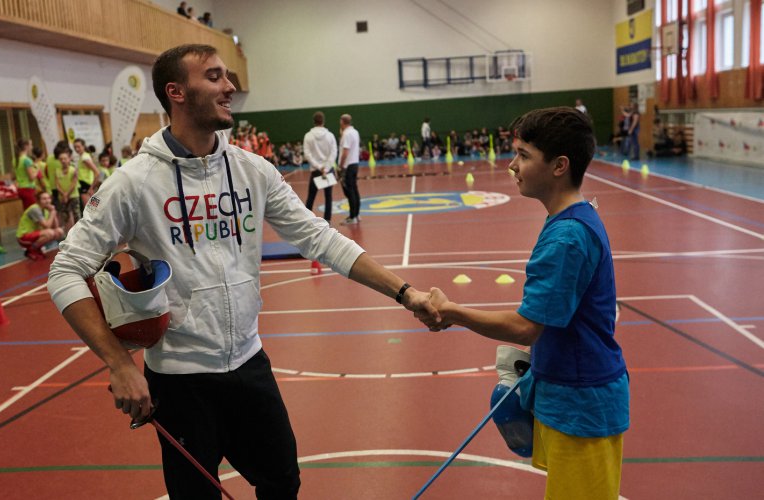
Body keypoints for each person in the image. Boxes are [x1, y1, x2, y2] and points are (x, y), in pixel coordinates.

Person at [47, 44, 439, 500]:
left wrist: (405, 292)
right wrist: (118, 363)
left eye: (227, 76)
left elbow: (321, 238)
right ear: (176, 92)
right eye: (214, 77)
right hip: (179, 381)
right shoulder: (133, 183)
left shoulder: (252, 171)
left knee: (282, 482)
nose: (230, 86)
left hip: (249, 366)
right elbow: (66, 271)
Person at [416, 107, 629, 500]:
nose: (513, 165)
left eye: (524, 155)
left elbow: (525, 326)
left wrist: (452, 312)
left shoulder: (567, 237)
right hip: (564, 395)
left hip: (582, 406)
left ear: (559, 166)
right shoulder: (567, 220)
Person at [303, 111, 337, 222]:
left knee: (311, 197)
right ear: (323, 121)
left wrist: (319, 167)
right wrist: (326, 168)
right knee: (328, 197)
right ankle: (327, 220)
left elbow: (307, 154)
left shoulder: (308, 136)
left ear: (314, 121)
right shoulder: (330, 136)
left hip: (316, 171)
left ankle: (307, 221)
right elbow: (334, 153)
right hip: (328, 170)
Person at [17, 190, 64, 260]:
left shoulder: (45, 210)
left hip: (35, 235)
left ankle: (37, 249)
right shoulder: (35, 209)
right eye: (44, 199)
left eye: (48, 198)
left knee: (59, 231)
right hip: (23, 237)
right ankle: (31, 250)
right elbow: (47, 226)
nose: (47, 201)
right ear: (38, 201)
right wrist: (52, 213)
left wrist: (53, 213)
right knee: (50, 233)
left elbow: (56, 227)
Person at [338, 114, 361, 225]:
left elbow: (345, 152)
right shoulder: (355, 132)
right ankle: (356, 214)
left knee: (350, 191)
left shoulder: (346, 134)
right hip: (355, 164)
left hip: (347, 166)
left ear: (342, 122)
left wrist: (340, 166)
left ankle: (352, 217)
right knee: (354, 190)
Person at [54, 150, 79, 231]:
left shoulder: (73, 170)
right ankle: (68, 234)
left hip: (73, 195)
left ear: (69, 159)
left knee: (76, 215)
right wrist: (63, 195)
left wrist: (66, 194)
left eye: (65, 158)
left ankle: (80, 233)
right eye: (61, 159)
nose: (63, 161)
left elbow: (73, 183)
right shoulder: (57, 171)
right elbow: (57, 185)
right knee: (65, 216)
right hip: (62, 197)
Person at [72, 138, 101, 210]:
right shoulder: (84, 156)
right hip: (86, 185)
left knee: (90, 210)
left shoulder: (85, 158)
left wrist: (91, 188)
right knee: (94, 209)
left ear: (83, 146)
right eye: (75, 147)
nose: (77, 149)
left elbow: (97, 172)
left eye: (78, 147)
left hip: (86, 185)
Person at [15, 138, 39, 209]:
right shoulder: (27, 160)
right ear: (26, 146)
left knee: (27, 211)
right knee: (33, 211)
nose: (32, 147)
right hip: (28, 189)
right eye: (31, 145)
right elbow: (31, 178)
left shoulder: (15, 160)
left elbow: (13, 176)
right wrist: (37, 170)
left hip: (20, 188)